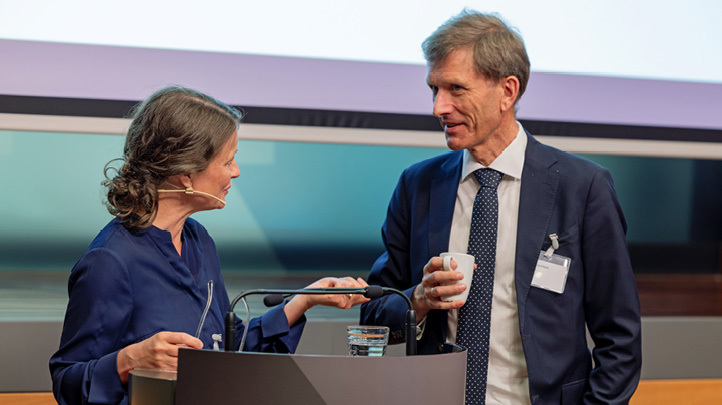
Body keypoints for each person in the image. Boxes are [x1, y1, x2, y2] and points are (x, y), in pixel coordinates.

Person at [360, 9, 642, 404]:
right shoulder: (417, 185)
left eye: (456, 89)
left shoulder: (583, 187)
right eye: (434, 89)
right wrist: (419, 299)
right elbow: (373, 319)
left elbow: (621, 338)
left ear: (507, 91)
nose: (438, 108)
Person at [49, 86, 370, 405]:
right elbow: (68, 383)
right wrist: (127, 362)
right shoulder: (111, 260)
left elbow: (225, 348)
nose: (236, 171)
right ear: (187, 174)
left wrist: (303, 300)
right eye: (228, 161)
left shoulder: (198, 240)